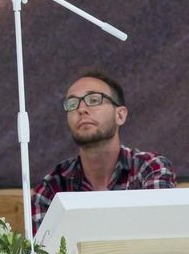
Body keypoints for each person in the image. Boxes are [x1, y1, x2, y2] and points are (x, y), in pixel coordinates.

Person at [32, 70, 177, 234]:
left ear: (120, 115)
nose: (81, 109)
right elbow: (41, 250)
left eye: (94, 100)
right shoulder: (52, 187)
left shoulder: (150, 168)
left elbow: (160, 236)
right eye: (72, 104)